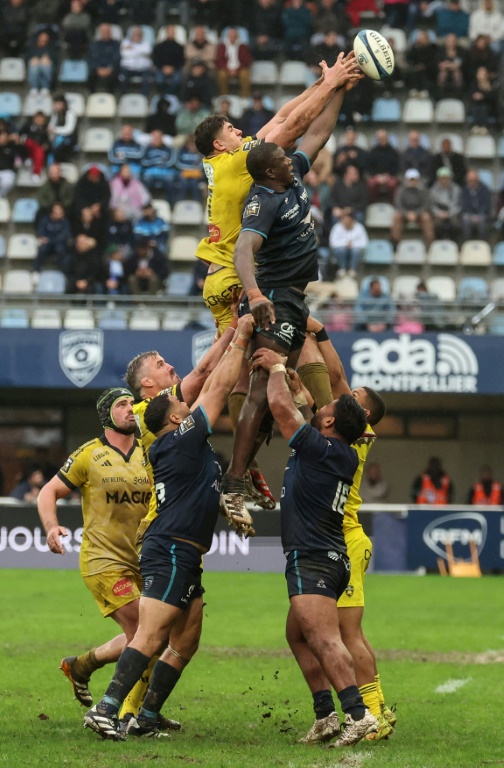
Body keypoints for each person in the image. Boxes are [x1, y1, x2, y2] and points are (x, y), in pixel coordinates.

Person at [83, 316, 256, 740]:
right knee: (152, 633)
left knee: (187, 637)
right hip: (171, 548)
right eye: (184, 409)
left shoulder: (186, 446)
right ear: (177, 418)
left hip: (184, 550)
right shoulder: (179, 437)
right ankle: (106, 708)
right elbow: (212, 386)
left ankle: (146, 716)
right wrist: (240, 338)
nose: (190, 410)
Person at [220, 58, 362, 521]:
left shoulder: (292, 173)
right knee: (263, 381)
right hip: (275, 296)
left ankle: (247, 472)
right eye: (283, 157)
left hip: (294, 298)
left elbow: (318, 132)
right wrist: (257, 296)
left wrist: (339, 86)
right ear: (270, 173)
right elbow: (244, 250)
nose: (292, 156)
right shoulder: (263, 200)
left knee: (271, 387)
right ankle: (233, 482)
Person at [252, 347, 378, 746]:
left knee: (325, 639)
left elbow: (278, 407)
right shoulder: (332, 449)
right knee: (299, 635)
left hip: (314, 557)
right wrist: (299, 388)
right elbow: (305, 414)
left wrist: (275, 366)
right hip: (323, 555)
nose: (328, 404)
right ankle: (326, 714)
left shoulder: (321, 448)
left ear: (329, 422)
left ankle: (358, 715)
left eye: (331, 406)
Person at [37, 388, 180, 731]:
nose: (131, 409)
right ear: (106, 415)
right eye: (122, 405)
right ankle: (119, 711)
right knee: (146, 633)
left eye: (132, 403)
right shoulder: (90, 454)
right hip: (102, 561)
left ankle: (84, 667)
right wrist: (53, 528)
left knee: (152, 635)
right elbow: (48, 492)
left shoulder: (149, 452)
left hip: (142, 560)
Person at [194, 53, 360, 337]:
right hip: (236, 276)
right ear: (219, 144)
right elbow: (292, 129)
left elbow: (281, 117)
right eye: (232, 130)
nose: (241, 131)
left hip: (219, 275)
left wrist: (321, 85)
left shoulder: (225, 161)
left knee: (233, 365)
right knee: (248, 368)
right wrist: (330, 86)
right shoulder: (236, 162)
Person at [291, 322, 393, 742]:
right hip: (334, 536)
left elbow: (334, 378)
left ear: (363, 414)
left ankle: (374, 713)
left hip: (343, 537)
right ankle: (330, 713)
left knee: (347, 634)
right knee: (298, 633)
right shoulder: (342, 429)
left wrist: (318, 331)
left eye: (353, 398)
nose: (345, 396)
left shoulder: (357, 432)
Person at [391, 168, 434, 246]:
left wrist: (416, 213)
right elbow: (398, 205)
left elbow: (426, 205)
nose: (412, 181)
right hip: (404, 213)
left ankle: (429, 244)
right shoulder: (400, 190)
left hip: (419, 214)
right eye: (410, 179)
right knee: (396, 216)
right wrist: (407, 213)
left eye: (414, 179)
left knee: (426, 217)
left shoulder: (423, 190)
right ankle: (396, 243)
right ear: (406, 180)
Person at [328, 209, 368, 278]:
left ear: (353, 221)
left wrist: (353, 244)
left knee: (356, 250)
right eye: (345, 221)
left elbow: (364, 243)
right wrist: (345, 244)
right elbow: (332, 243)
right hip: (340, 250)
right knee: (341, 250)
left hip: (355, 250)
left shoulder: (359, 228)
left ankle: (353, 270)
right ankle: (342, 269)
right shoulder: (336, 227)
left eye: (349, 221)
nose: (346, 223)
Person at [34, 202, 72, 273]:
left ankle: (65, 273)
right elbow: (40, 233)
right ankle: (36, 271)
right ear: (52, 213)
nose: (61, 214)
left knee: (61, 249)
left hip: (59, 245)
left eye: (61, 211)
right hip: (47, 245)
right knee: (42, 248)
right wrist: (46, 239)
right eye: (58, 212)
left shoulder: (65, 222)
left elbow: (64, 237)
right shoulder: (44, 220)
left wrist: (49, 240)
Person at [215, 27, 252, 98]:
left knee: (245, 74)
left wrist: (237, 69)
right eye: (231, 36)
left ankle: (245, 96)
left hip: (239, 68)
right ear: (227, 37)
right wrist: (228, 69)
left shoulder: (243, 46)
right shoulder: (222, 46)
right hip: (226, 68)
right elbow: (219, 60)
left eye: (234, 37)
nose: (232, 38)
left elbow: (247, 60)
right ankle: (223, 95)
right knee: (221, 75)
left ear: (237, 37)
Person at [428, 166, 462, 241]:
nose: (444, 180)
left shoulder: (456, 189)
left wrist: (449, 213)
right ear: (438, 179)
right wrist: (439, 213)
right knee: (437, 225)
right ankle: (439, 242)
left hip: (452, 212)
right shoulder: (433, 190)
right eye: (442, 178)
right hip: (439, 212)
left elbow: (458, 205)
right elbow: (432, 205)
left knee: (456, 224)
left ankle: (455, 242)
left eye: (446, 178)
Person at [366, 130, 399, 204]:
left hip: (389, 176)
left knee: (393, 184)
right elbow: (370, 167)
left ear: (387, 138)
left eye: (383, 138)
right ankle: (372, 204)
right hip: (376, 176)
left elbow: (396, 167)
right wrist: (378, 176)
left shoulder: (394, 152)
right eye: (379, 138)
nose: (381, 140)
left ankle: (394, 205)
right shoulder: (373, 152)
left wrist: (387, 176)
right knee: (370, 184)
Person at [119, 26, 153, 96]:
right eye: (135, 34)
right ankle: (124, 96)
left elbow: (148, 52)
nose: (137, 36)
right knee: (122, 78)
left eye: (139, 34)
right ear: (132, 35)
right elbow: (124, 54)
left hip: (143, 69)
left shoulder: (146, 43)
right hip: (128, 68)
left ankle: (143, 97)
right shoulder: (125, 42)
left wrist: (132, 49)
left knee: (149, 78)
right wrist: (141, 53)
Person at [152, 25, 185, 95]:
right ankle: (163, 95)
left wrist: (173, 68)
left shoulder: (179, 47)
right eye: (170, 31)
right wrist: (163, 67)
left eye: (173, 31)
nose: (171, 33)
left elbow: (181, 60)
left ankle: (168, 95)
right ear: (166, 32)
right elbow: (155, 59)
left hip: (175, 69)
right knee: (159, 80)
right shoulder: (159, 46)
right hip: (161, 68)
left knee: (177, 80)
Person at [88, 23, 121, 93]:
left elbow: (117, 58)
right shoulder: (95, 44)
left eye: (107, 32)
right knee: (90, 75)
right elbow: (91, 58)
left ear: (110, 33)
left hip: (110, 69)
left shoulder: (116, 44)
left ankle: (111, 95)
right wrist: (98, 68)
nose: (106, 34)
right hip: (98, 68)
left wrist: (110, 69)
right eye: (104, 32)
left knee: (114, 75)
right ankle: (92, 94)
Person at [461, 169, 492, 241]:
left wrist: (478, 215)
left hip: (481, 213)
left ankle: (483, 242)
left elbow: (486, 204)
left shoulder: (485, 189)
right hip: (468, 213)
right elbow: (463, 204)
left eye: (474, 180)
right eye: (470, 181)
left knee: (482, 220)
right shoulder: (464, 190)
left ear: (477, 180)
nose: (472, 183)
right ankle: (466, 242)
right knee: (465, 219)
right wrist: (471, 215)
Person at [48, 94, 79, 164]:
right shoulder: (55, 114)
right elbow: (51, 125)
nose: (56, 106)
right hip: (57, 138)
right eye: (55, 104)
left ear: (63, 104)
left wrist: (55, 130)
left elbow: (69, 129)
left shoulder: (70, 113)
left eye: (58, 103)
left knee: (59, 149)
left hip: (70, 139)